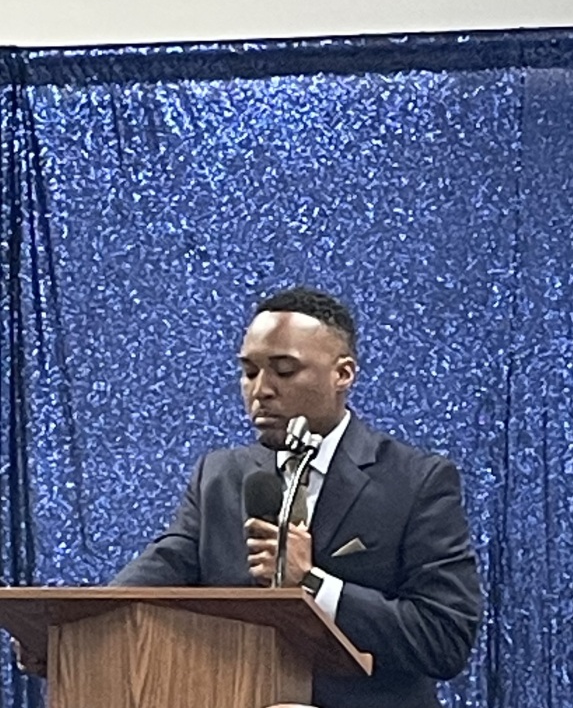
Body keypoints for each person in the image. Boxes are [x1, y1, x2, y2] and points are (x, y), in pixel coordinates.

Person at [111, 286, 481, 708]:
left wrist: (312, 584)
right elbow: (154, 575)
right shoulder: (219, 476)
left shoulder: (416, 482)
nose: (260, 390)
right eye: (249, 372)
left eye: (284, 371)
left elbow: (444, 639)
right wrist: (73, 625)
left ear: (343, 374)